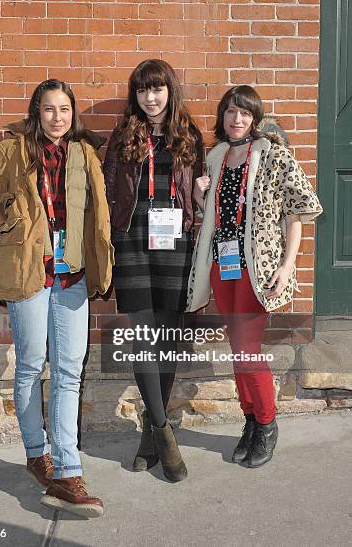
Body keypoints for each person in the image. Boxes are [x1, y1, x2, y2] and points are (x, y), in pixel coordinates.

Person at [0, 79, 114, 517]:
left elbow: (99, 214)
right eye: (50, 109)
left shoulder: (84, 154)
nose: (58, 117)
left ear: (74, 115)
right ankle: (38, 454)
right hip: (30, 273)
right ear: (37, 113)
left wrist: (102, 262)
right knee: (32, 366)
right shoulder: (13, 151)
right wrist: (10, 215)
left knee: (70, 371)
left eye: (65, 110)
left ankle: (68, 471)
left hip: (71, 274)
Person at [188, 85, 322, 467]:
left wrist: (288, 265)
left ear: (255, 119)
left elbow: (297, 213)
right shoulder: (215, 158)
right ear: (222, 116)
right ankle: (250, 422)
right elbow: (211, 217)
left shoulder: (274, 156)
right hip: (221, 266)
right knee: (237, 349)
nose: (237, 119)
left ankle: (266, 423)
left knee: (248, 349)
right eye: (231, 111)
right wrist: (200, 196)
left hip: (256, 268)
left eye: (245, 113)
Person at [104, 59, 202, 481]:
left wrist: (197, 204)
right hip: (132, 238)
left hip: (174, 242)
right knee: (144, 335)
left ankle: (150, 435)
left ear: (169, 90)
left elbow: (200, 192)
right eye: (143, 90)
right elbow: (110, 187)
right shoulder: (123, 135)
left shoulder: (189, 136)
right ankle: (164, 430)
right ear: (136, 95)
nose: (151, 97)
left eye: (157, 88)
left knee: (169, 336)